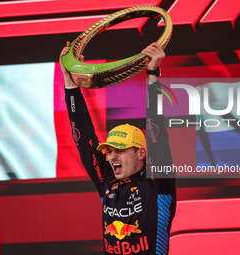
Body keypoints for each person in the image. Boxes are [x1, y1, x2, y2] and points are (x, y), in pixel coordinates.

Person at [60, 41, 176, 255]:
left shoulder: (158, 183)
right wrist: (71, 85)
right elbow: (84, 140)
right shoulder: (107, 181)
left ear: (141, 153)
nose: (112, 156)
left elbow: (157, 135)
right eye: (110, 150)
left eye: (120, 150)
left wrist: (153, 76)